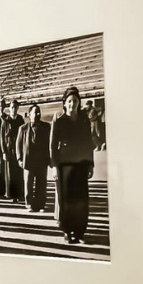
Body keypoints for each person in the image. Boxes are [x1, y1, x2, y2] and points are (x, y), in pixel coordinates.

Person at [51, 87, 94, 244]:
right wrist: (55, 166)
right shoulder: (59, 121)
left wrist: (90, 164)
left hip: (81, 165)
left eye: (75, 101)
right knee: (67, 199)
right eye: (69, 101)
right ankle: (68, 231)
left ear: (79, 103)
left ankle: (80, 231)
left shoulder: (84, 120)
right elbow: (52, 145)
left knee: (81, 199)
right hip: (64, 166)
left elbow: (88, 144)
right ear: (65, 103)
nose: (72, 104)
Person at [16, 104, 51, 212]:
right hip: (28, 160)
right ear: (29, 114)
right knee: (28, 183)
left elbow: (50, 143)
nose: (36, 114)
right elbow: (18, 144)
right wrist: (19, 158)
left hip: (42, 160)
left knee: (42, 183)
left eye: (38, 112)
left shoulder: (46, 127)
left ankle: (40, 205)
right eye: (34, 112)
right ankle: (29, 204)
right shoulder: (23, 128)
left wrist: (50, 158)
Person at [0, 99, 25, 203]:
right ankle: (12, 195)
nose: (13, 109)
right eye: (12, 107)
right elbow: (2, 137)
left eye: (15, 107)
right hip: (9, 149)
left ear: (18, 108)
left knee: (19, 172)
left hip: (19, 149)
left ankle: (20, 194)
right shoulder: (5, 121)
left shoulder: (20, 119)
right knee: (11, 173)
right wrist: (4, 151)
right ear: (9, 109)